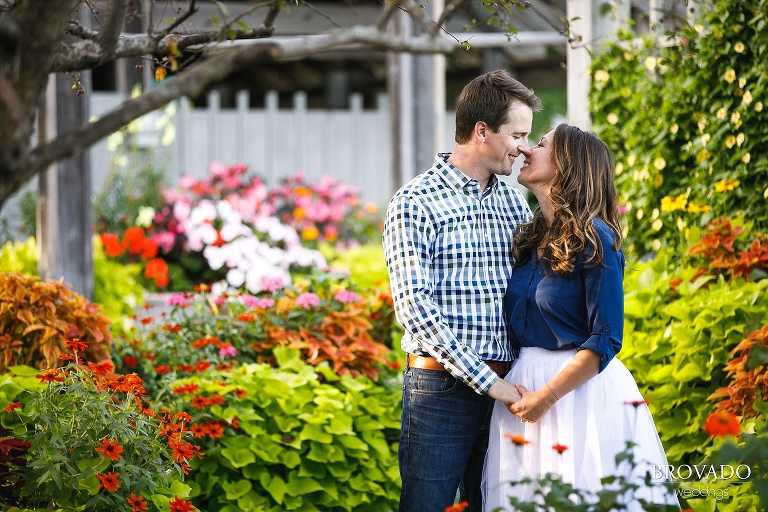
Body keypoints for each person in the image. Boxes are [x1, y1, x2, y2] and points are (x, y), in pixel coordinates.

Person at [483, 124, 678, 511]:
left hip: (578, 395)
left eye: (540, 144)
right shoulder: (528, 235)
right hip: (521, 392)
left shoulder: (597, 239)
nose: (526, 150)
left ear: (565, 164)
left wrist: (547, 396)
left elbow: (606, 337)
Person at [382, 70, 542, 512]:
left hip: (510, 386)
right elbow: (414, 308)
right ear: (482, 131)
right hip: (441, 391)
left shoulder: (512, 202)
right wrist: (488, 382)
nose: (525, 147)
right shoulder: (414, 202)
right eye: (518, 134)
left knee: (495, 505)